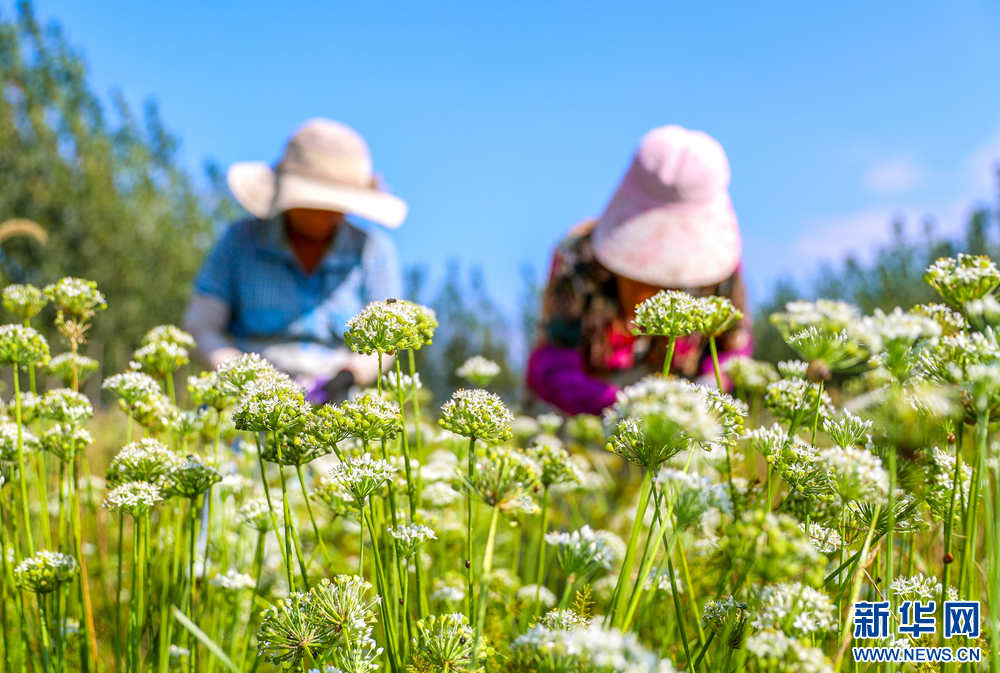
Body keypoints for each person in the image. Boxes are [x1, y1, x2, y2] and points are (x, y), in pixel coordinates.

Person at [525, 125, 753, 416]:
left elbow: (734, 347)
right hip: (587, 414)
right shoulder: (577, 259)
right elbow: (552, 361)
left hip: (681, 420)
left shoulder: (723, 271)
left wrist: (707, 390)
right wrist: (621, 406)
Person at [183, 118, 405, 403]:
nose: (323, 214)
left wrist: (352, 374)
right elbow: (200, 325)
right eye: (312, 203)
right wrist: (242, 375)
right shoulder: (240, 241)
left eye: (335, 206)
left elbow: (387, 343)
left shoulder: (374, 251)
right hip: (248, 407)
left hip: (336, 412)